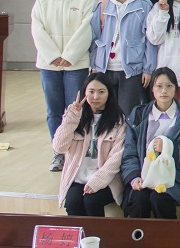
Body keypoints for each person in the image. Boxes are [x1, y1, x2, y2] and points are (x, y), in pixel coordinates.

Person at [31, 0, 96, 171]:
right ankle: (58, 152)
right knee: (53, 110)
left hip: (75, 64)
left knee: (75, 109)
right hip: (49, 65)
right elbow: (37, 28)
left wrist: (69, 55)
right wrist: (52, 55)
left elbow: (87, 28)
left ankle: (75, 152)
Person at [121, 67, 180, 219]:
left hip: (173, 180)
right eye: (159, 86)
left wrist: (170, 149)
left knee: (159, 199)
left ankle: (167, 235)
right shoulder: (138, 115)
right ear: (152, 89)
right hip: (143, 177)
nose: (164, 91)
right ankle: (139, 235)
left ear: (175, 88)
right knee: (139, 199)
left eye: (169, 86)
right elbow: (129, 152)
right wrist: (134, 177)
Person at [52, 73, 126, 217]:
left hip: (106, 179)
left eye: (101, 92)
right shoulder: (75, 116)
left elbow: (116, 157)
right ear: (84, 93)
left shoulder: (118, 120)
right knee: (73, 202)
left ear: (109, 94)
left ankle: (97, 233)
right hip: (77, 178)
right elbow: (59, 147)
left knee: (92, 201)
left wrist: (97, 181)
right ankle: (80, 233)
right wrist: (72, 117)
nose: (95, 97)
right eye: (91, 92)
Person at [90, 0, 156, 116]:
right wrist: (94, 65)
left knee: (127, 113)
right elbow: (94, 37)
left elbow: (150, 40)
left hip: (132, 71)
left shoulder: (144, 5)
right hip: (104, 69)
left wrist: (148, 69)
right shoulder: (103, 5)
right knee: (105, 113)